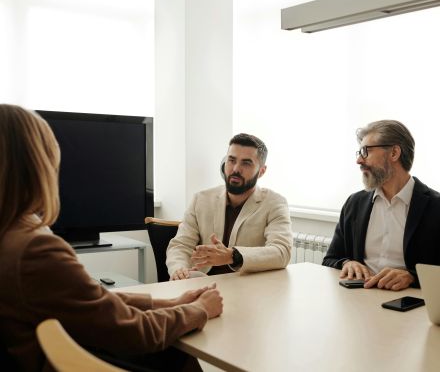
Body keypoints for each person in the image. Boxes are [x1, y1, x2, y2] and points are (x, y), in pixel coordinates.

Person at [0, 104, 223, 372]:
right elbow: (131, 331)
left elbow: (94, 303)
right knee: (174, 354)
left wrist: (170, 302)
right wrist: (198, 310)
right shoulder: (35, 249)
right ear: (39, 165)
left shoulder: (10, 237)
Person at [323, 120, 440, 291]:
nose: (358, 160)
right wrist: (347, 263)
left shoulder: (436, 207)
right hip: (359, 302)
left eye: (366, 151)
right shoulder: (354, 203)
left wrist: (412, 276)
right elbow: (330, 259)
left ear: (394, 153)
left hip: (412, 309)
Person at [166, 133, 293, 280]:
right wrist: (179, 269)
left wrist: (233, 256)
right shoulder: (201, 199)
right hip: (201, 284)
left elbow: (282, 252)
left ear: (261, 171)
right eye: (231, 160)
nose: (235, 169)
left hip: (248, 289)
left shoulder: (275, 203)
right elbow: (180, 245)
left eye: (246, 163)